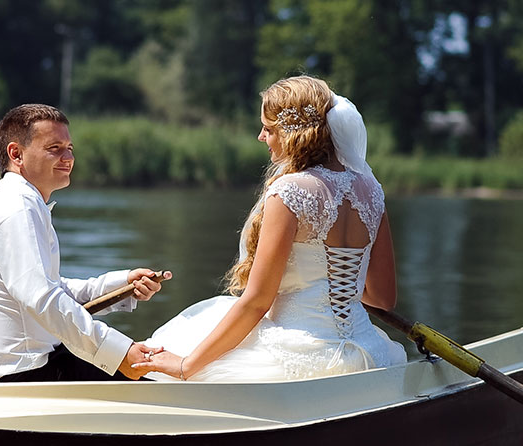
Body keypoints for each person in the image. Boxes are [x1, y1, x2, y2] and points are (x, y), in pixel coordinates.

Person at [131, 76, 406, 382]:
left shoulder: (290, 192)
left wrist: (186, 365)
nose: (261, 136)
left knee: (178, 340)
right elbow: (383, 299)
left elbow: (258, 301)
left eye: (269, 128)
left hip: (302, 357)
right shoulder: (370, 190)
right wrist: (339, 290)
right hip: (367, 352)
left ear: (293, 133)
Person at [0, 103, 169, 383]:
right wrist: (119, 353)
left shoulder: (23, 202)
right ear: (16, 154)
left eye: (70, 148)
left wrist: (123, 286)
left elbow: (51, 288)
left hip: (27, 364)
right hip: (15, 374)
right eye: (54, 148)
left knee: (153, 374)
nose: (68, 157)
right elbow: (42, 297)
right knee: (156, 384)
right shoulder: (16, 207)